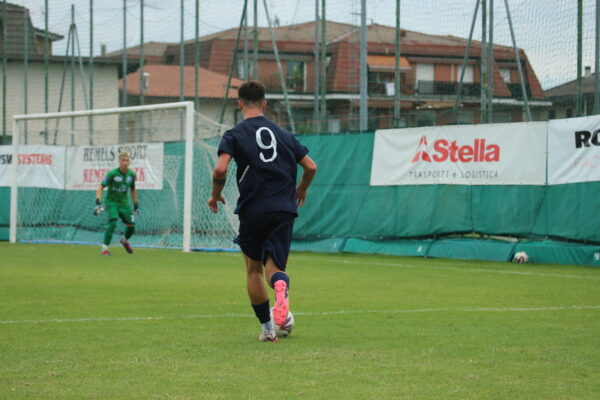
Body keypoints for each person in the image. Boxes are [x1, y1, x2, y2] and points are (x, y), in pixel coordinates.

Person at [208, 80, 317, 342]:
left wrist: (215, 195)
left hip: (253, 209)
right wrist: (301, 189)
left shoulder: (233, 135)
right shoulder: (283, 134)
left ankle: (268, 330)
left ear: (240, 103)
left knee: (253, 269)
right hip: (284, 208)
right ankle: (281, 285)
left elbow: (220, 169)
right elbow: (311, 167)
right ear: (265, 104)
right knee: (275, 268)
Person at [94, 151, 139, 256]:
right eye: (123, 160)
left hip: (124, 204)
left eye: (127, 160)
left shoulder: (132, 174)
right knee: (113, 222)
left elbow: (133, 189)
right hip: (112, 203)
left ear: (130, 162)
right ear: (119, 161)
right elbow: (101, 187)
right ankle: (104, 249)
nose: (125, 163)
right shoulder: (112, 173)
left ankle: (124, 240)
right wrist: (98, 203)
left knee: (131, 226)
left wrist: (136, 206)